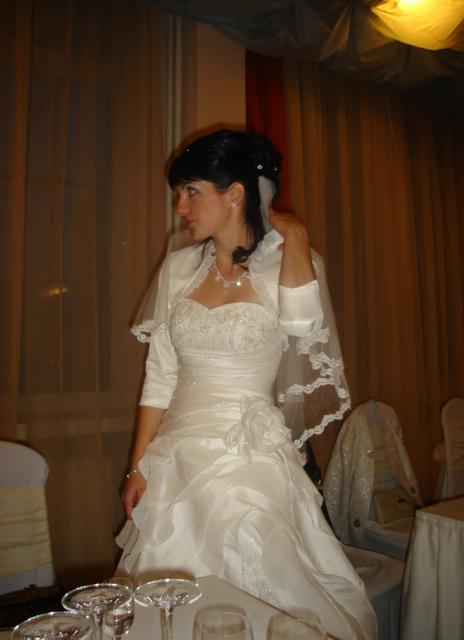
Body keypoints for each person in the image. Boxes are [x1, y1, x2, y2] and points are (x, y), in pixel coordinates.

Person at [116, 130, 376, 639]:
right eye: (180, 192)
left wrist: (295, 239)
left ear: (234, 193)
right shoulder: (178, 268)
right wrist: (136, 465)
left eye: (192, 191)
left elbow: (302, 327)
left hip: (249, 456)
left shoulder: (290, 260)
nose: (180, 206)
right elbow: (160, 375)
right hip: (176, 459)